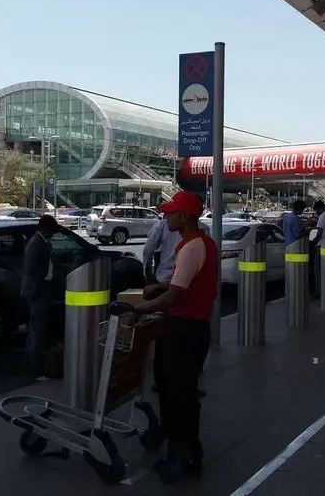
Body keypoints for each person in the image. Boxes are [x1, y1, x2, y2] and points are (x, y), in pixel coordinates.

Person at [132, 191, 217, 484]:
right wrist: (161, 287)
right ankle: (184, 451)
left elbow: (173, 298)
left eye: (171, 213)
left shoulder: (192, 246)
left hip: (185, 330)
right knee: (177, 391)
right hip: (192, 328)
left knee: (179, 395)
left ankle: (183, 457)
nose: (166, 218)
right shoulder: (198, 243)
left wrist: (140, 309)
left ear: (185, 217)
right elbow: (181, 285)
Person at [21, 215, 57, 374]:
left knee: (35, 325)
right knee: (37, 326)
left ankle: (30, 357)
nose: (54, 233)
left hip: (40, 288)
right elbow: (30, 269)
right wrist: (37, 287)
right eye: (52, 230)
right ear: (46, 228)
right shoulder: (36, 243)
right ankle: (35, 362)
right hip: (37, 290)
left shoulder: (43, 241)